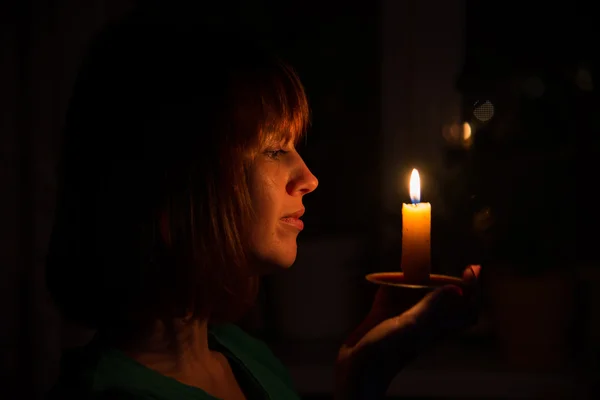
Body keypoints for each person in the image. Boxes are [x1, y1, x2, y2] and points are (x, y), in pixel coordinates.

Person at [46, 6, 480, 400]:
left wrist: (363, 380)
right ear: (177, 180)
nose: (309, 179)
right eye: (275, 150)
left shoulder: (248, 357)